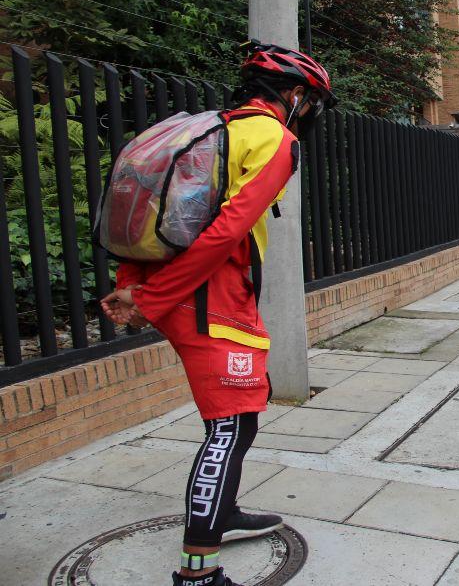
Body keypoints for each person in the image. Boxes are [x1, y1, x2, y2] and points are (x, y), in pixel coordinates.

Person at [100, 41, 335, 586]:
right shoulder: (275, 139)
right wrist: (152, 299)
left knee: (244, 415)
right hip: (211, 299)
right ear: (296, 96)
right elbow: (225, 230)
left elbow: (153, 213)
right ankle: (198, 572)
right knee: (228, 428)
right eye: (310, 101)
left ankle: (221, 514)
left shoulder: (213, 128)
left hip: (189, 293)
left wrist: (136, 286)